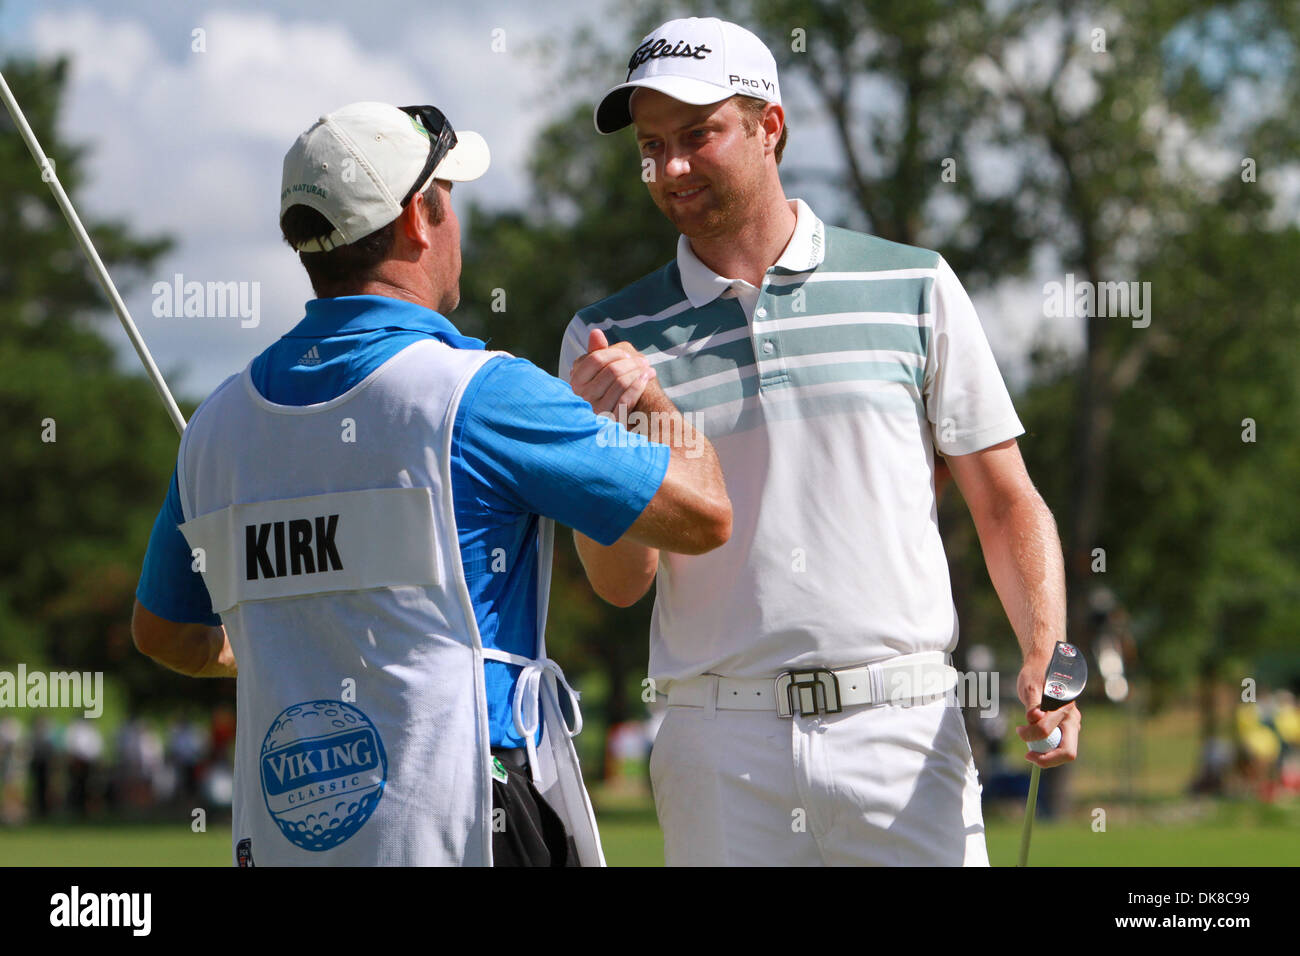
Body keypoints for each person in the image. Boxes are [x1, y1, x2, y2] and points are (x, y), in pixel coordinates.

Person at [131, 101, 730, 866]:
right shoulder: (482, 394)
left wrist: (297, 650)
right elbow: (704, 514)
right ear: (419, 217)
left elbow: (165, 633)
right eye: (448, 197)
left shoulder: (216, 426)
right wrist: (647, 400)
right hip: (468, 820)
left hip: (282, 838)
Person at [560, 17, 1080, 866]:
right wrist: (626, 434)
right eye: (653, 146)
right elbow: (621, 585)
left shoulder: (915, 283)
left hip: (903, 729)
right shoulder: (603, 339)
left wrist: (1044, 652)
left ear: (769, 126)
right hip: (717, 745)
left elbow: (1004, 500)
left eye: (698, 135)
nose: (672, 167)